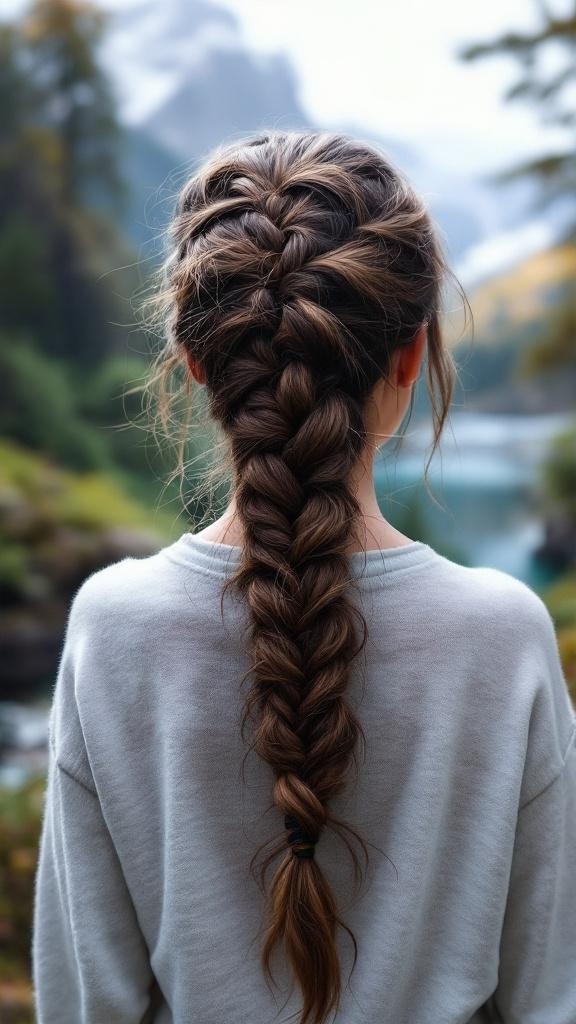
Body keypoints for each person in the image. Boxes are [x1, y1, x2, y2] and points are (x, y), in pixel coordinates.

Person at [31, 130, 576, 1024]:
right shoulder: (501, 635)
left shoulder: (113, 626)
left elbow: (88, 1003)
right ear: (411, 360)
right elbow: (552, 995)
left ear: (198, 362)